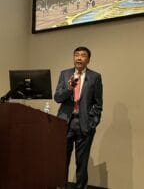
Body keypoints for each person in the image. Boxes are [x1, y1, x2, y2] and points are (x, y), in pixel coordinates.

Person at [54, 46, 103, 189]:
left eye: (83, 55)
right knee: (62, 161)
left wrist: (92, 122)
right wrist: (69, 88)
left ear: (88, 59)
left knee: (81, 163)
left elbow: (98, 103)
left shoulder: (95, 77)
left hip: (84, 125)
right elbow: (57, 98)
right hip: (65, 123)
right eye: (76, 55)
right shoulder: (65, 74)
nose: (79, 58)